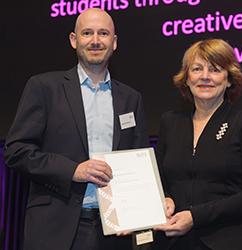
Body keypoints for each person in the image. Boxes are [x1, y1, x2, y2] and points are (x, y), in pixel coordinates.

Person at [4, 8, 149, 250]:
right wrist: (73, 170)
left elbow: (139, 159)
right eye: (87, 33)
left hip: (114, 232)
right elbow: (16, 151)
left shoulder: (131, 98)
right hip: (56, 229)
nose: (95, 40)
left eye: (103, 33)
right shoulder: (44, 87)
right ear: (74, 40)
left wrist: (139, 213)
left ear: (114, 43)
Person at [153, 38, 242, 250]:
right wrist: (165, 198)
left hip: (229, 241)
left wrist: (195, 217)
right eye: (197, 69)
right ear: (187, 79)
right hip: (174, 242)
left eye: (215, 69)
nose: (205, 77)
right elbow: (159, 181)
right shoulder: (170, 122)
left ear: (229, 80)